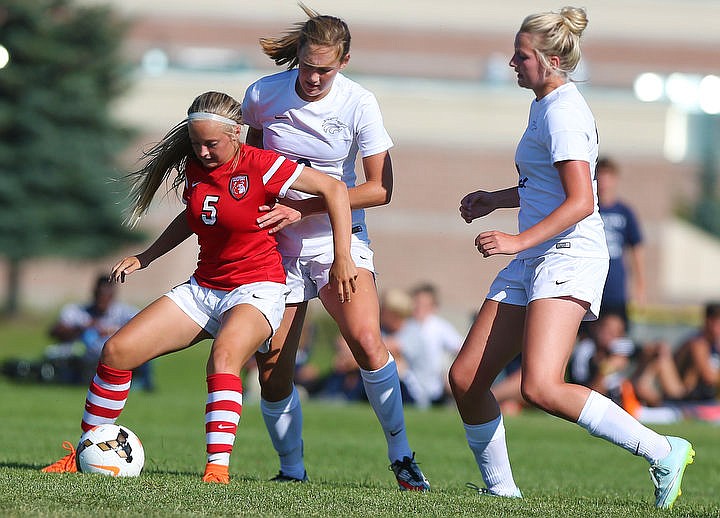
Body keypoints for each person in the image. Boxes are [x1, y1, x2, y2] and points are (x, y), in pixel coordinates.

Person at [40, 90, 356, 484]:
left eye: (212, 144)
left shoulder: (263, 165)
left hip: (257, 288)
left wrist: (343, 256)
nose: (203, 152)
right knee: (117, 351)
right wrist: (147, 256)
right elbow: (194, 217)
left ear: (237, 134)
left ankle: (216, 470)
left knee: (224, 358)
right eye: (196, 143)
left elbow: (335, 189)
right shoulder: (194, 168)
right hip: (204, 289)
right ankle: (85, 451)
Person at [447, 7, 694, 509]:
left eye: (521, 56)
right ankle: (503, 494)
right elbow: (544, 187)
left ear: (552, 60)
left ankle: (664, 448)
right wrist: (495, 199)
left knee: (540, 386)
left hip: (568, 254)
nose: (512, 63)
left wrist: (515, 241)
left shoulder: (563, 112)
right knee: (467, 379)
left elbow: (582, 200)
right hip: (537, 252)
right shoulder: (544, 104)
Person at [241, 4, 430, 490]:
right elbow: (251, 165)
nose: (313, 77)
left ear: (343, 62)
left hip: (336, 240)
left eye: (324, 69)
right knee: (273, 370)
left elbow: (379, 189)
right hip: (276, 246)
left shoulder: (359, 103)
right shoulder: (263, 94)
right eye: (306, 66)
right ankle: (291, 470)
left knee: (367, 341)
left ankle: (402, 455)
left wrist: (302, 209)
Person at [46, 274, 153, 390]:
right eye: (100, 294)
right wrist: (83, 328)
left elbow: (147, 331)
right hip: (85, 359)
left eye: (106, 295)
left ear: (113, 295)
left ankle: (143, 384)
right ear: (94, 293)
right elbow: (55, 331)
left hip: (117, 360)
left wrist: (114, 331)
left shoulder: (125, 313)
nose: (103, 299)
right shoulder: (80, 312)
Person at [630, 302, 720, 407]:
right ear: (709, 322)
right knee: (661, 357)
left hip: (695, 394)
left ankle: (642, 390)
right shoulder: (699, 343)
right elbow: (708, 377)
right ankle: (639, 390)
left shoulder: (713, 344)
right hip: (682, 393)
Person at [395, 283, 462, 408]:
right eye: (416, 303)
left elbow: (459, 348)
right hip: (410, 384)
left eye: (424, 304)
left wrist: (451, 372)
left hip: (435, 387)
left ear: (433, 307)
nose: (418, 308)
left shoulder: (439, 327)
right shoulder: (406, 326)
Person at [596, 156, 646, 326]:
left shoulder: (624, 212)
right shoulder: (587, 208)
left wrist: (640, 285)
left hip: (615, 287)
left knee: (615, 336)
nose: (603, 181)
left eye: (607, 176)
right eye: (600, 176)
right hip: (590, 283)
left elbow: (636, 248)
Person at [568, 310, 636, 403]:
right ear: (596, 328)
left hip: (628, 400)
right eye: (606, 330)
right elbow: (586, 399)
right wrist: (607, 368)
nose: (608, 335)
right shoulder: (585, 350)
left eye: (614, 332)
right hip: (599, 401)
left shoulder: (621, 348)